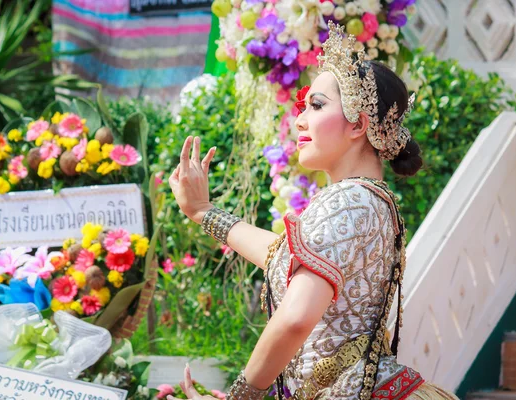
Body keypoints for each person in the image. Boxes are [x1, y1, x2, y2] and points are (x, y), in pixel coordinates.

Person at [167, 22, 458, 400]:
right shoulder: (368, 199)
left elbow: (295, 317)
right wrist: (203, 211)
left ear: (358, 124)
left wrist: (242, 397)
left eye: (316, 106)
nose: (300, 120)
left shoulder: (349, 201)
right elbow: (280, 255)